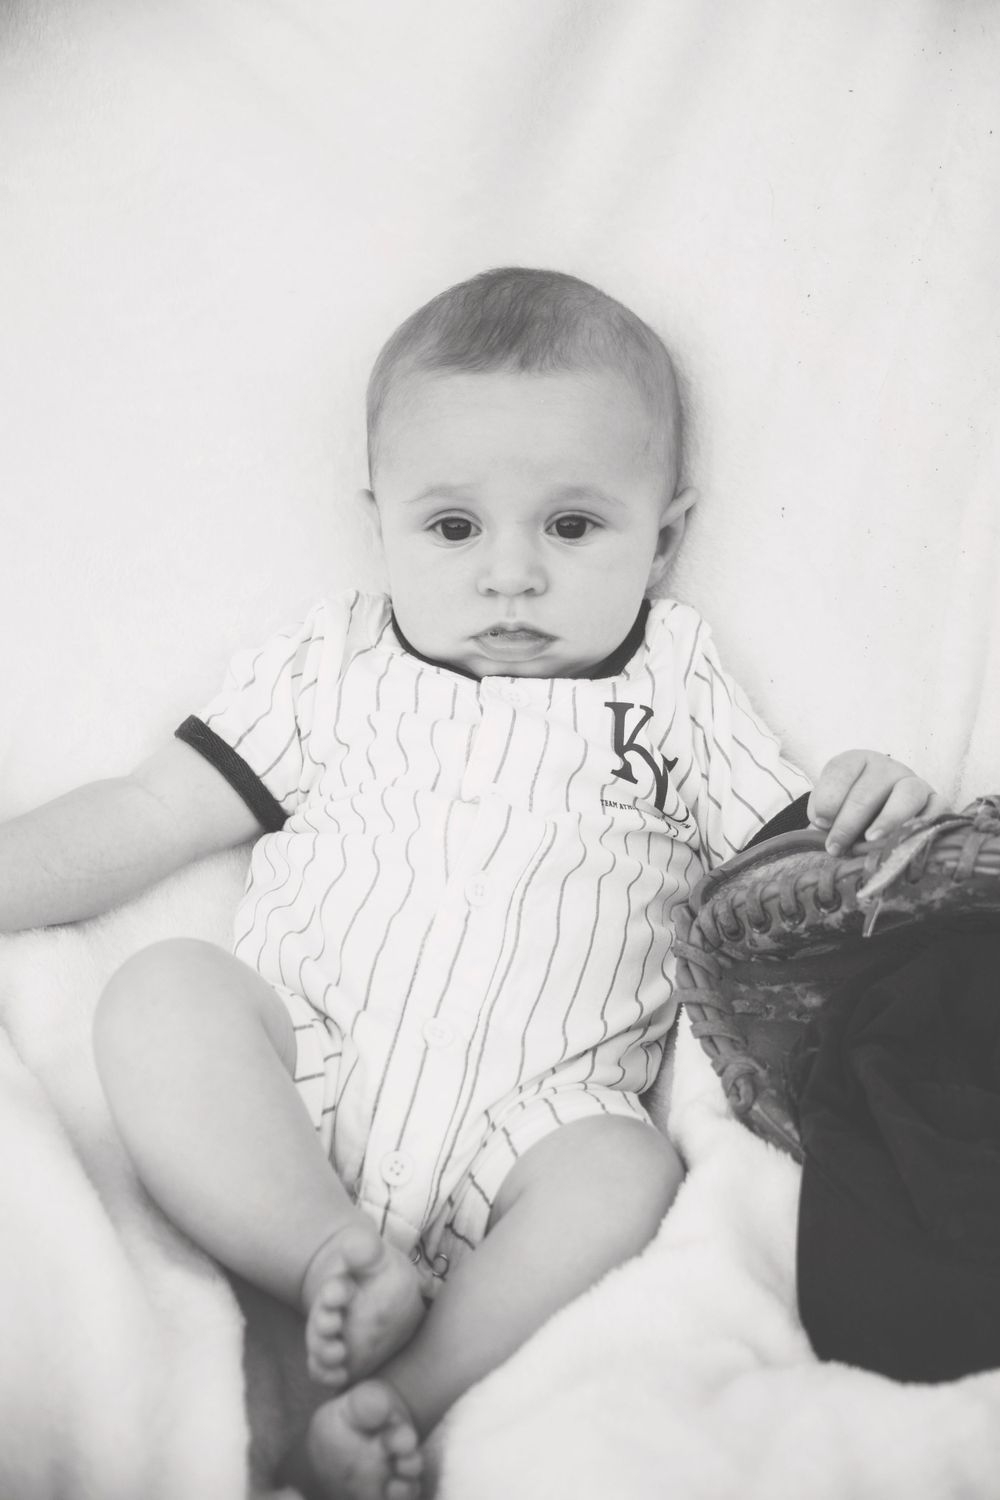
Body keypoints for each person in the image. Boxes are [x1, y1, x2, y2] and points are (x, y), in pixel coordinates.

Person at [0, 268, 944, 1500]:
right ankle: (324, 1249)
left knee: (628, 1168)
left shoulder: (679, 681)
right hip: (306, 1068)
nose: (511, 576)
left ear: (661, 535)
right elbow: (145, 812)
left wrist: (865, 795)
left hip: (538, 1123)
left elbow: (793, 871)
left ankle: (400, 1391)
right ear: (378, 518)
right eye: (453, 528)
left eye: (571, 526)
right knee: (165, 991)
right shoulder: (327, 662)